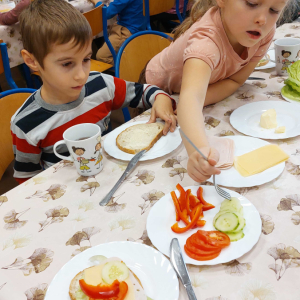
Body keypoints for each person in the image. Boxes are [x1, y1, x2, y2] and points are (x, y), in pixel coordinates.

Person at [11, 0, 176, 184]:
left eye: (86, 59)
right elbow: (26, 179)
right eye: (67, 64)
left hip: (111, 179)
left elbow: (144, 92)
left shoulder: (100, 84)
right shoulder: (25, 124)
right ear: (32, 61)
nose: (82, 75)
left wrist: (160, 97)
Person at [143, 0, 294, 183]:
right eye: (252, 3)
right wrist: (199, 151)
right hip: (154, 91)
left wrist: (187, 104)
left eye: (273, 10)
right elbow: (191, 99)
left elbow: (234, 80)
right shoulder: (205, 43)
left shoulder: (264, 32)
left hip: (190, 92)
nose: (262, 19)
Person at [89, 0, 145, 65]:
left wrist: (96, 2)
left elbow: (107, 13)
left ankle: (130, 68)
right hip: (138, 26)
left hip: (128, 30)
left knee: (102, 57)